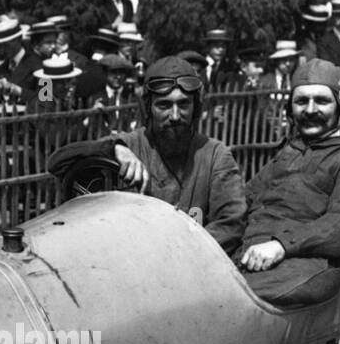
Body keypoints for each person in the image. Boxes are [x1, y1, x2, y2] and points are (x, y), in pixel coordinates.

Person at [46, 56, 246, 249]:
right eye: (164, 105)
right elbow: (57, 162)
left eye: (183, 104)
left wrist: (181, 250)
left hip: (190, 264)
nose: (175, 116)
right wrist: (114, 149)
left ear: (195, 107)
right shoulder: (128, 145)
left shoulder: (215, 155)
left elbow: (230, 223)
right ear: (148, 108)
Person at [235, 58, 340, 305]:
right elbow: (244, 201)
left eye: (322, 101)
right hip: (250, 255)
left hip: (304, 264)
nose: (310, 110)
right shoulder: (287, 154)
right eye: (301, 101)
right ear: (290, 109)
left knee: (234, 300)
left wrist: (281, 245)